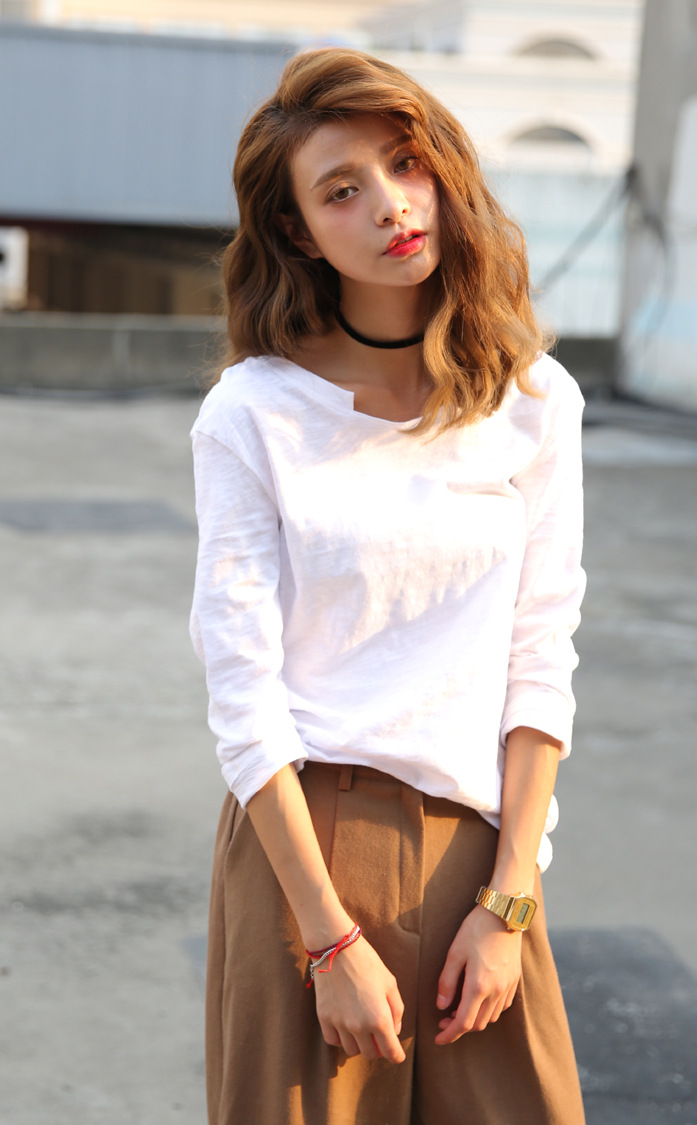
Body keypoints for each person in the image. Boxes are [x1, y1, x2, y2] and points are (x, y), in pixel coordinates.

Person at [190, 46, 587, 1125]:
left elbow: (540, 652)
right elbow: (244, 693)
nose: (392, 205)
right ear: (296, 232)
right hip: (305, 854)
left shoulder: (535, 401)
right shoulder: (253, 414)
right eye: (342, 190)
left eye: (407, 165)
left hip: (482, 855)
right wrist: (326, 939)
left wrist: (508, 900)